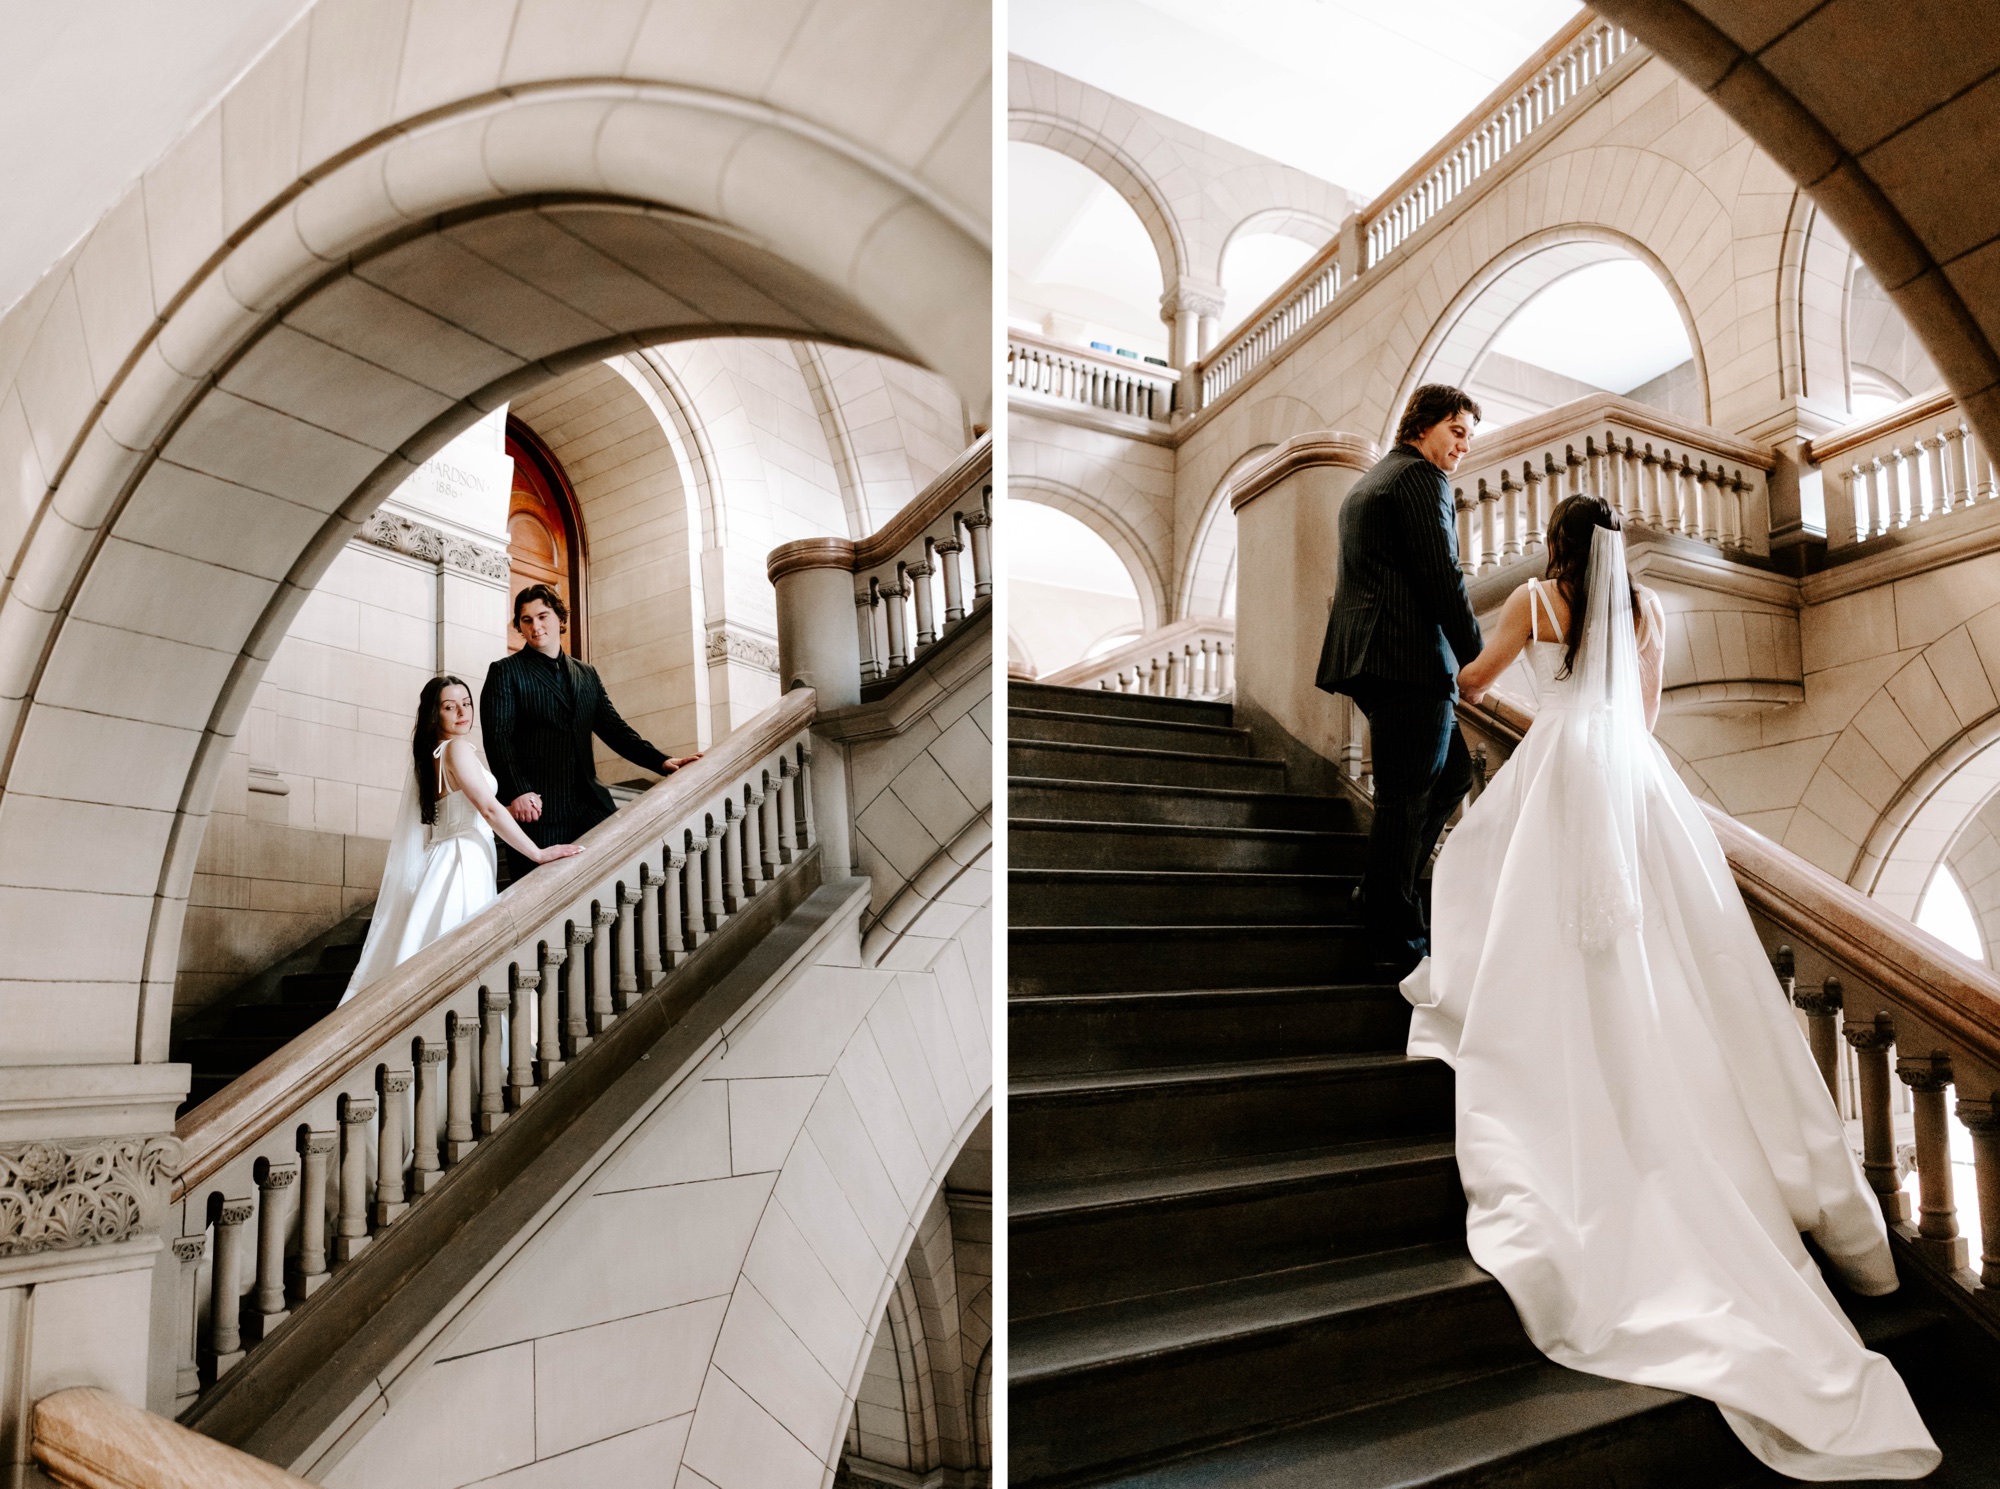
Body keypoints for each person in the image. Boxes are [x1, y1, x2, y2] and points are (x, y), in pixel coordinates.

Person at [1407, 493, 1940, 1480]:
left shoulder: (1535, 600)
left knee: (1506, 894)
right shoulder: (1648, 612)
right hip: (1632, 776)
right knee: (1670, 949)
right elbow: (1643, 712)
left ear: (1558, 543)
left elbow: (1471, 678)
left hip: (1559, 768)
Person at [1316, 384, 1485, 976]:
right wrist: (1474, 660)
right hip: (1409, 660)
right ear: (1423, 425)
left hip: (1372, 657)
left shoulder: (1370, 481)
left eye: (1468, 436)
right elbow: (1444, 574)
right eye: (1457, 432)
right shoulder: (1420, 480)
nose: (1463, 447)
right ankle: (1390, 926)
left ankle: (1387, 895)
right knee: (1404, 796)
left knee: (1454, 775)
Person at [342, 675, 583, 1003]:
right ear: (434, 714)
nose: (461, 712)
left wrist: (510, 809)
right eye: (449, 706)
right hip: (461, 863)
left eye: (466, 703)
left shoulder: (437, 754)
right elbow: (486, 809)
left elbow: (469, 808)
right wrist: (537, 853)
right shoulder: (456, 748)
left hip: (450, 854)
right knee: (459, 956)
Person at [481, 584, 699, 882]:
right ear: (519, 626)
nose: (536, 626)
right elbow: (498, 737)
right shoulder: (505, 672)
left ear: (559, 618)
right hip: (538, 813)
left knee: (619, 880)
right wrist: (518, 791)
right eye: (526, 620)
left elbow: (613, 728)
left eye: (542, 616)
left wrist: (661, 762)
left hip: (590, 805)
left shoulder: (587, 673)